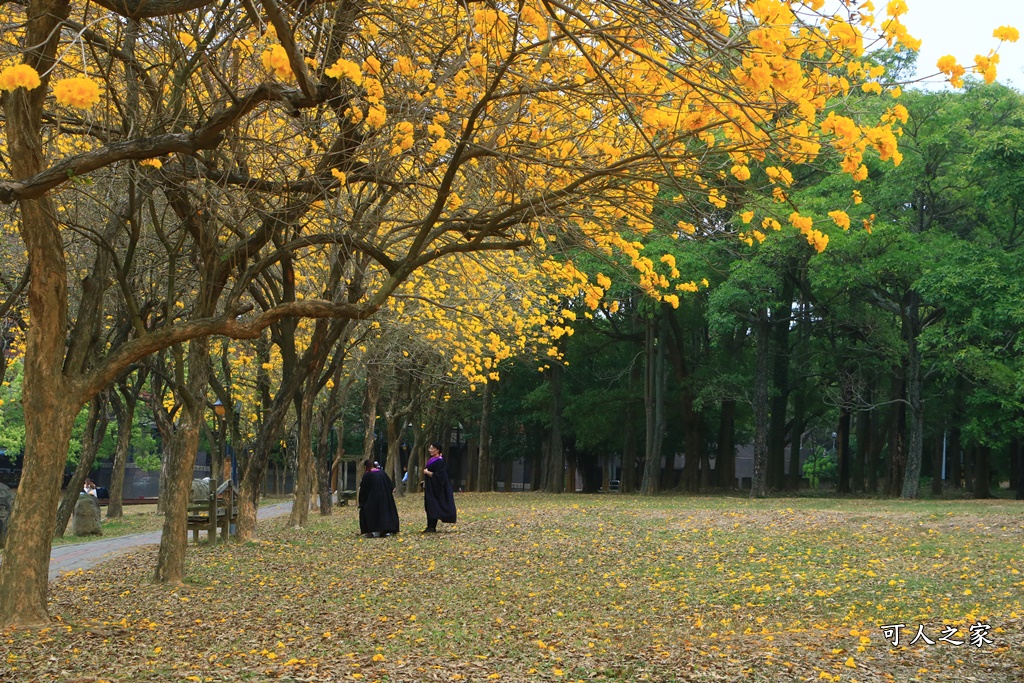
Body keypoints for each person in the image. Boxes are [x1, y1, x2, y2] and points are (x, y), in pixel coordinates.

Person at [358, 459, 399, 538]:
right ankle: (385, 530)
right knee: (384, 513)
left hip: (372, 499)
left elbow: (364, 489)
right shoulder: (382, 473)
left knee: (372, 513)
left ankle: (374, 531)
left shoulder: (367, 475)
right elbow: (390, 486)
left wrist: (362, 500)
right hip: (384, 499)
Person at [422, 442, 457, 533]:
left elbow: (440, 476)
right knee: (429, 506)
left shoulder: (440, 461)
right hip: (431, 487)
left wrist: (427, 473)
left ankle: (432, 527)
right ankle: (429, 526)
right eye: (430, 448)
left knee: (434, 506)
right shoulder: (432, 459)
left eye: (432, 448)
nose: (430, 450)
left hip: (437, 489)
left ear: (437, 450)